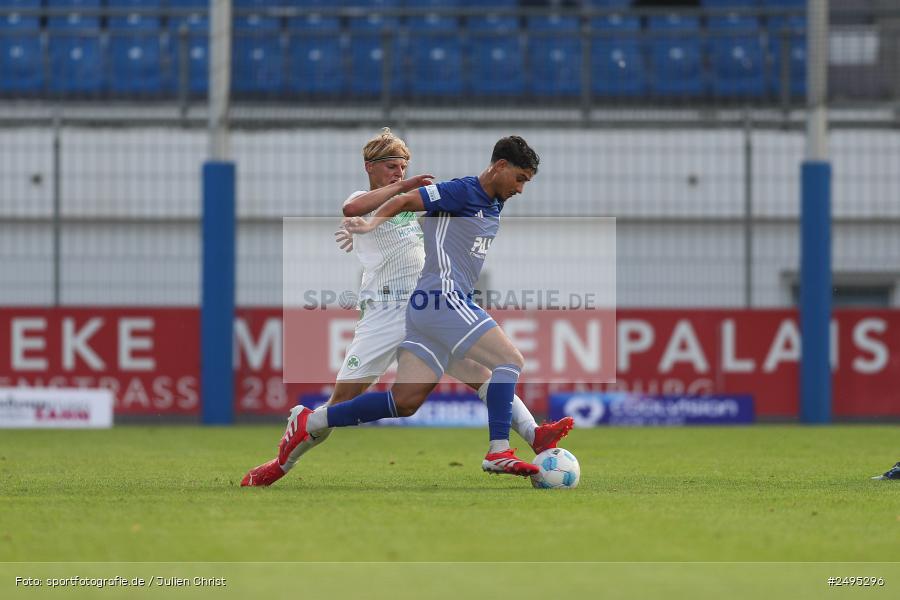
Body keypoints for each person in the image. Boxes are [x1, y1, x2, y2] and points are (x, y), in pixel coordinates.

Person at [242, 131, 571, 486]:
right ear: (370, 167)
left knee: (467, 377)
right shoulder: (365, 199)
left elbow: (439, 221)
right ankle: (283, 461)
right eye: (390, 167)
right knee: (341, 402)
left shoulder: (427, 202)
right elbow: (354, 209)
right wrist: (379, 213)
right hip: (385, 311)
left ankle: (531, 435)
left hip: (424, 304)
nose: (397, 173)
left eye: (403, 167)